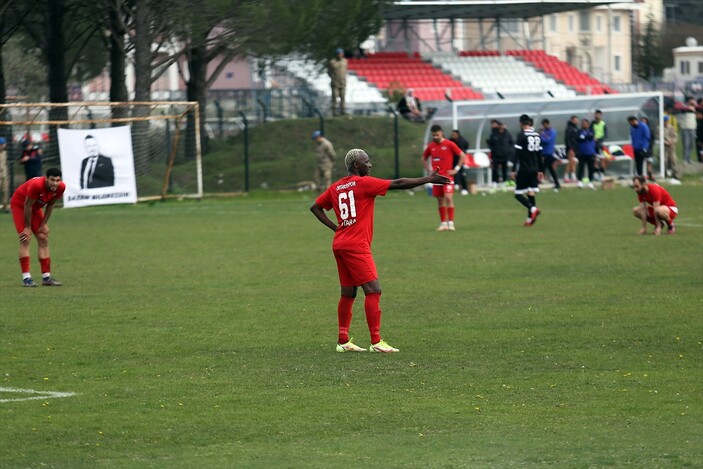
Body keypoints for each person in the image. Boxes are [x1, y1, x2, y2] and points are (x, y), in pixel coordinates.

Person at [310, 148, 451, 353]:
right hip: (356, 246)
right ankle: (376, 342)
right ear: (357, 165)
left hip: (340, 244)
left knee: (348, 292)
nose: (370, 165)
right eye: (366, 162)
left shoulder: (336, 187)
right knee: (374, 290)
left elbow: (315, 207)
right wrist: (427, 179)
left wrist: (337, 228)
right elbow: (399, 183)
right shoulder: (364, 183)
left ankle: (343, 341)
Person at [10, 167, 65, 287]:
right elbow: (27, 206)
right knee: (25, 238)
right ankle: (26, 278)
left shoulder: (61, 188)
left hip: (34, 208)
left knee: (43, 237)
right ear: (46, 179)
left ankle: (46, 277)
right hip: (20, 205)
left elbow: (50, 206)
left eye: (57, 180)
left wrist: (44, 224)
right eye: (52, 180)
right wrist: (28, 227)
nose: (55, 183)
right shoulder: (37, 185)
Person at [422, 124, 465, 231]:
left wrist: (456, 169)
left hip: (447, 177)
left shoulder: (449, 144)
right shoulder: (431, 146)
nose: (435, 137)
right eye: (433, 135)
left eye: (437, 134)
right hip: (436, 178)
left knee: (448, 198)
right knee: (440, 201)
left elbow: (462, 155)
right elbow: (423, 158)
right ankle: (443, 223)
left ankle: (451, 223)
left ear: (441, 133)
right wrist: (428, 169)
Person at [511, 114, 543, 226]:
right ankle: (530, 220)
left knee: (518, 194)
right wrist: (541, 170)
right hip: (535, 168)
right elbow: (539, 154)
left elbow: (517, 154)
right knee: (531, 192)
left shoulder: (522, 135)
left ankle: (533, 209)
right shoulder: (537, 135)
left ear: (521, 123)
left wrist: (513, 169)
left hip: (524, 168)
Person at [486, 120, 513, 186]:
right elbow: (490, 143)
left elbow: (511, 143)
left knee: (504, 169)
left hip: (505, 155)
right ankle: (495, 181)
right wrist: (494, 150)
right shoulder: (494, 134)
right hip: (496, 155)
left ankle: (504, 181)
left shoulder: (507, 134)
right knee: (495, 169)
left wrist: (509, 151)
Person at [539, 119, 560, 191]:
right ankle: (557, 183)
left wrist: (541, 137)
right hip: (543, 153)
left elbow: (548, 141)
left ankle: (537, 184)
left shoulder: (552, 131)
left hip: (549, 153)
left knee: (543, 169)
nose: (544, 126)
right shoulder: (544, 131)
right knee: (546, 169)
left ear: (548, 124)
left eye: (545, 124)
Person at [576, 118, 596, 190]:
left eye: (585, 123)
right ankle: (580, 181)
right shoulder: (579, 131)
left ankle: (590, 182)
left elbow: (590, 136)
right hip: (582, 153)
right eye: (583, 123)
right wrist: (585, 138)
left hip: (590, 152)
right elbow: (578, 139)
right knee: (581, 167)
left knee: (591, 168)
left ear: (588, 124)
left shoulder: (591, 130)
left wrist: (584, 138)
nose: (584, 125)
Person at [327, 48, 348, 116]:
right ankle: (334, 111)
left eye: (341, 53)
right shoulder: (332, 62)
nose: (340, 55)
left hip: (343, 82)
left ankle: (343, 110)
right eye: (339, 54)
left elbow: (345, 71)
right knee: (335, 97)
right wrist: (333, 77)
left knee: (343, 97)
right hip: (335, 83)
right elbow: (329, 72)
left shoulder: (345, 61)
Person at [449, 129, 470, 195]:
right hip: (453, 160)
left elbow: (466, 147)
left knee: (462, 174)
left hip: (460, 160)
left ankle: (464, 188)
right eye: (452, 135)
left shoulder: (463, 141)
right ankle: (455, 185)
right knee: (453, 173)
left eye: (454, 135)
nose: (453, 136)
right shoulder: (450, 141)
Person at [590, 109, 608, 179]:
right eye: (596, 114)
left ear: (601, 115)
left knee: (602, 159)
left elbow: (605, 135)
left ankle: (602, 173)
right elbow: (590, 132)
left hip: (599, 145)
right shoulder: (592, 123)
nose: (597, 116)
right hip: (592, 145)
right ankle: (595, 173)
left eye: (598, 114)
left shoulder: (603, 124)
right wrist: (592, 137)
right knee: (595, 159)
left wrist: (599, 139)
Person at [679, 97, 697, 164]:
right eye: (692, 100)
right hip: (685, 128)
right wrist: (689, 107)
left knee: (691, 145)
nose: (693, 101)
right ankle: (685, 159)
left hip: (692, 128)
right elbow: (682, 109)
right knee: (686, 144)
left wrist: (694, 106)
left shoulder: (695, 108)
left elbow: (699, 108)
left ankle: (689, 158)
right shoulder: (684, 107)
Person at [663, 115, 681, 183]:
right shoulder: (660, 128)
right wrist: (665, 142)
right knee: (665, 161)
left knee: (674, 161)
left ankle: (675, 175)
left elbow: (675, 136)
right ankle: (665, 175)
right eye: (665, 121)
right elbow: (658, 137)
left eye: (667, 121)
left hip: (672, 147)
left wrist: (672, 141)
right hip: (664, 148)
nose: (666, 122)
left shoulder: (671, 127)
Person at [563, 115, 580, 183]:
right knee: (570, 162)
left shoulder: (576, 128)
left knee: (573, 162)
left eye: (577, 120)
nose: (576, 121)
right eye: (575, 120)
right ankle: (566, 176)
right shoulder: (569, 128)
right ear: (572, 120)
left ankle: (573, 176)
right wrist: (570, 148)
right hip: (571, 148)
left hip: (575, 148)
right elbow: (567, 139)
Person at [0, 136, 8, 209]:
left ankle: (5, 205)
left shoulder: (5, 152)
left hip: (4, 174)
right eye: (3, 144)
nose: (5, 145)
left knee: (5, 190)